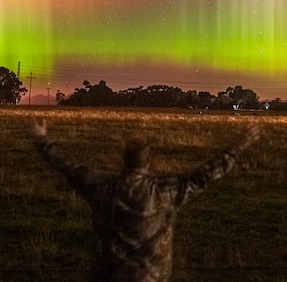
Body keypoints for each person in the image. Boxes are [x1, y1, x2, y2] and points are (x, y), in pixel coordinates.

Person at [27, 118, 260, 282]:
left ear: (124, 159)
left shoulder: (102, 187)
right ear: (149, 162)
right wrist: (237, 146)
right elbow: (204, 175)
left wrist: (42, 141)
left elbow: (69, 167)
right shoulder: (165, 192)